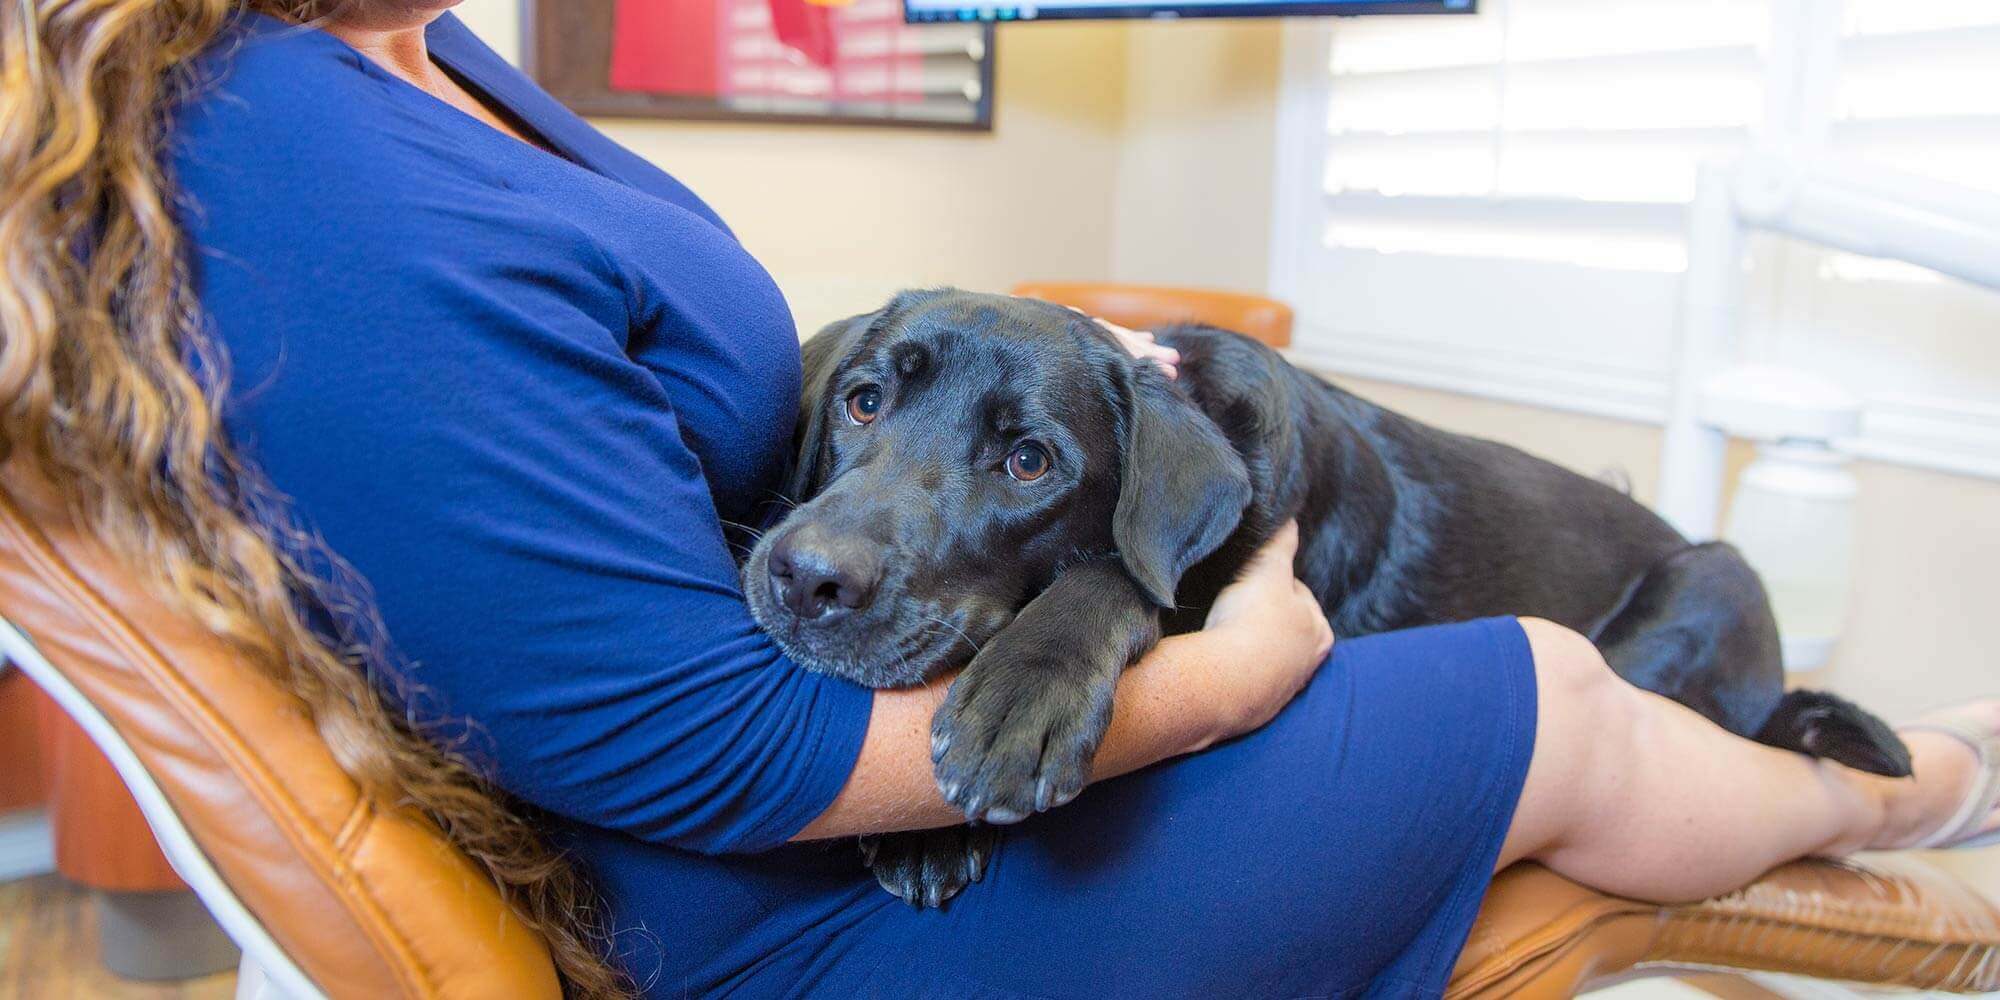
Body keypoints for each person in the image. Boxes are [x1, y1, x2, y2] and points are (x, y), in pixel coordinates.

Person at [3, 2, 1993, 997]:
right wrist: (1228, 677)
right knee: (1545, 691)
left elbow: (607, 423)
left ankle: (1876, 770)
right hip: (786, 900)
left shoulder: (407, 57)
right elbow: (702, 741)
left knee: (1586, 658)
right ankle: (1910, 807)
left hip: (830, 776)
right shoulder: (289, 144)